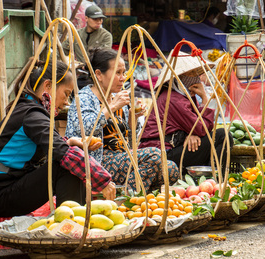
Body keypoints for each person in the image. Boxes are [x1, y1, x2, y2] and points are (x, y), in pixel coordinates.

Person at [0, 61, 115, 218]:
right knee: (67, 165)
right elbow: (62, 153)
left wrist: (69, 141)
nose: (66, 102)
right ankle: (72, 225)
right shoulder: (32, 115)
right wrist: (102, 180)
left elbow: (52, 144)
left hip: (3, 189)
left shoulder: (29, 110)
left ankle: (75, 219)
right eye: (66, 94)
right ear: (48, 86)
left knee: (71, 159)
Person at [65, 48, 180, 192]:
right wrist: (112, 107)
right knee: (154, 155)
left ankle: (140, 197)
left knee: (171, 169)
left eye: (123, 72)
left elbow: (129, 144)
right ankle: (129, 200)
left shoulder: (117, 97)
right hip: (96, 162)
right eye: (117, 73)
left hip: (122, 159)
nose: (123, 77)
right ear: (99, 75)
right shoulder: (84, 98)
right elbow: (86, 129)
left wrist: (133, 121)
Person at [139, 52, 233, 172]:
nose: (196, 78)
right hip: (162, 154)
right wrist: (204, 97)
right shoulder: (173, 99)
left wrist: (192, 133)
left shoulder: (182, 96)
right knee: (223, 135)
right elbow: (202, 128)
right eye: (191, 73)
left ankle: (208, 178)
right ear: (180, 77)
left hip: (175, 147)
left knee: (217, 136)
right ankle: (214, 177)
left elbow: (197, 126)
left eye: (196, 73)